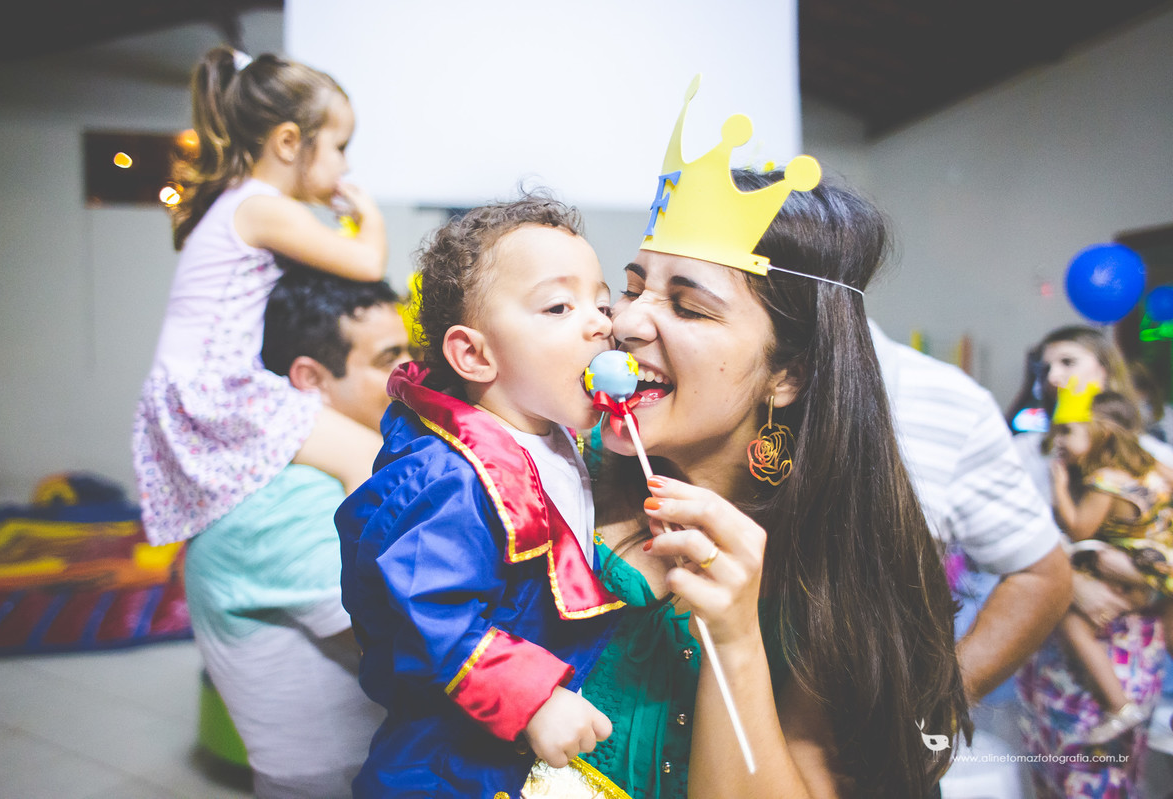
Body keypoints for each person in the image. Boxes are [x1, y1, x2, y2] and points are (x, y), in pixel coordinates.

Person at [571, 77, 969, 799]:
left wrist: (734, 635)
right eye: (632, 288)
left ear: (787, 372)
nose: (625, 324)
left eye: (688, 306)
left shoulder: (830, 567)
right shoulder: (556, 480)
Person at [334, 194, 623, 797]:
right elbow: (429, 615)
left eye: (602, 302)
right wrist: (534, 698)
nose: (601, 324)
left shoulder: (559, 435)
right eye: (559, 306)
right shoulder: (451, 478)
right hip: (448, 764)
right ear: (474, 354)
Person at [132, 46, 388, 548]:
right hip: (216, 392)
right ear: (290, 142)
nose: (345, 164)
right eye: (339, 146)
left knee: (352, 447)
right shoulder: (261, 207)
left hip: (201, 388)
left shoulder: (245, 202)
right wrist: (368, 213)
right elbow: (368, 264)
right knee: (366, 454)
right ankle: (377, 582)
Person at [183, 264, 409, 797]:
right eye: (388, 359)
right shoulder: (286, 501)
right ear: (310, 379)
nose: (413, 372)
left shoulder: (320, 472)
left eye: (410, 351)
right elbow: (399, 643)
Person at [869, 321, 1072, 707]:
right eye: (1047, 367)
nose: (1055, 376)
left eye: (1068, 362)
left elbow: (1042, 575)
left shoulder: (947, 400)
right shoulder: (1033, 443)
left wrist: (934, 711)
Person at [1045, 384, 1173, 746]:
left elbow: (1077, 527)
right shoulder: (1153, 468)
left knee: (1071, 623)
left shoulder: (1104, 481)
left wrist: (1059, 485)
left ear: (1101, 433)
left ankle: (1118, 706)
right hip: (1156, 573)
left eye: (1068, 431)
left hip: (1127, 573)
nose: (1059, 441)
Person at [1013, 325, 1173, 505]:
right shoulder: (1023, 451)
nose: (1052, 377)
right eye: (1045, 370)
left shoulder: (1152, 454)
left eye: (1068, 362)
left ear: (1105, 369)